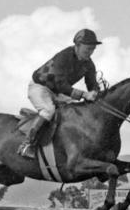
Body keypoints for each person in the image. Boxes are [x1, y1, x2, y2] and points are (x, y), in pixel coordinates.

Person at [19, 28, 103, 157]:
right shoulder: (64, 56)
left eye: (92, 49)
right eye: (87, 49)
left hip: (58, 92)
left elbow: (92, 84)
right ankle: (27, 145)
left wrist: (97, 93)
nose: (90, 52)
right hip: (40, 87)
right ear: (77, 45)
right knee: (48, 111)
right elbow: (60, 83)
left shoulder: (89, 64)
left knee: (75, 111)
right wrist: (84, 95)